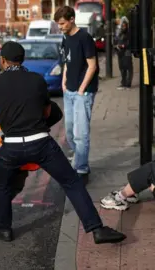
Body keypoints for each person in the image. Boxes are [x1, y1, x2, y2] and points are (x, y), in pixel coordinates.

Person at [0, 41, 125, 244]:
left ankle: (3, 228)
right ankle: (97, 229)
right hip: (41, 144)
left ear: (3, 60)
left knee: (2, 186)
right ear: (22, 60)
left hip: (11, 145)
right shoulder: (37, 80)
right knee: (71, 182)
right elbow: (48, 112)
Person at [54, 6, 99, 177]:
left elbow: (92, 66)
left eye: (63, 23)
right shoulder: (65, 37)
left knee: (81, 134)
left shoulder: (85, 38)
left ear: (72, 19)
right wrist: (64, 81)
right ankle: (79, 160)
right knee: (71, 131)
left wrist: (81, 89)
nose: (61, 27)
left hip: (83, 92)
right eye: (58, 24)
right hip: (69, 91)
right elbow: (67, 60)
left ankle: (81, 169)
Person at [115, 20, 133, 90]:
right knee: (122, 68)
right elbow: (117, 40)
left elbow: (129, 43)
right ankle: (123, 83)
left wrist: (123, 46)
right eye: (122, 26)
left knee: (128, 68)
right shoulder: (120, 33)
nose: (123, 27)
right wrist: (117, 46)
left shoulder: (129, 33)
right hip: (120, 53)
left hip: (127, 53)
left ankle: (128, 84)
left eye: (124, 26)